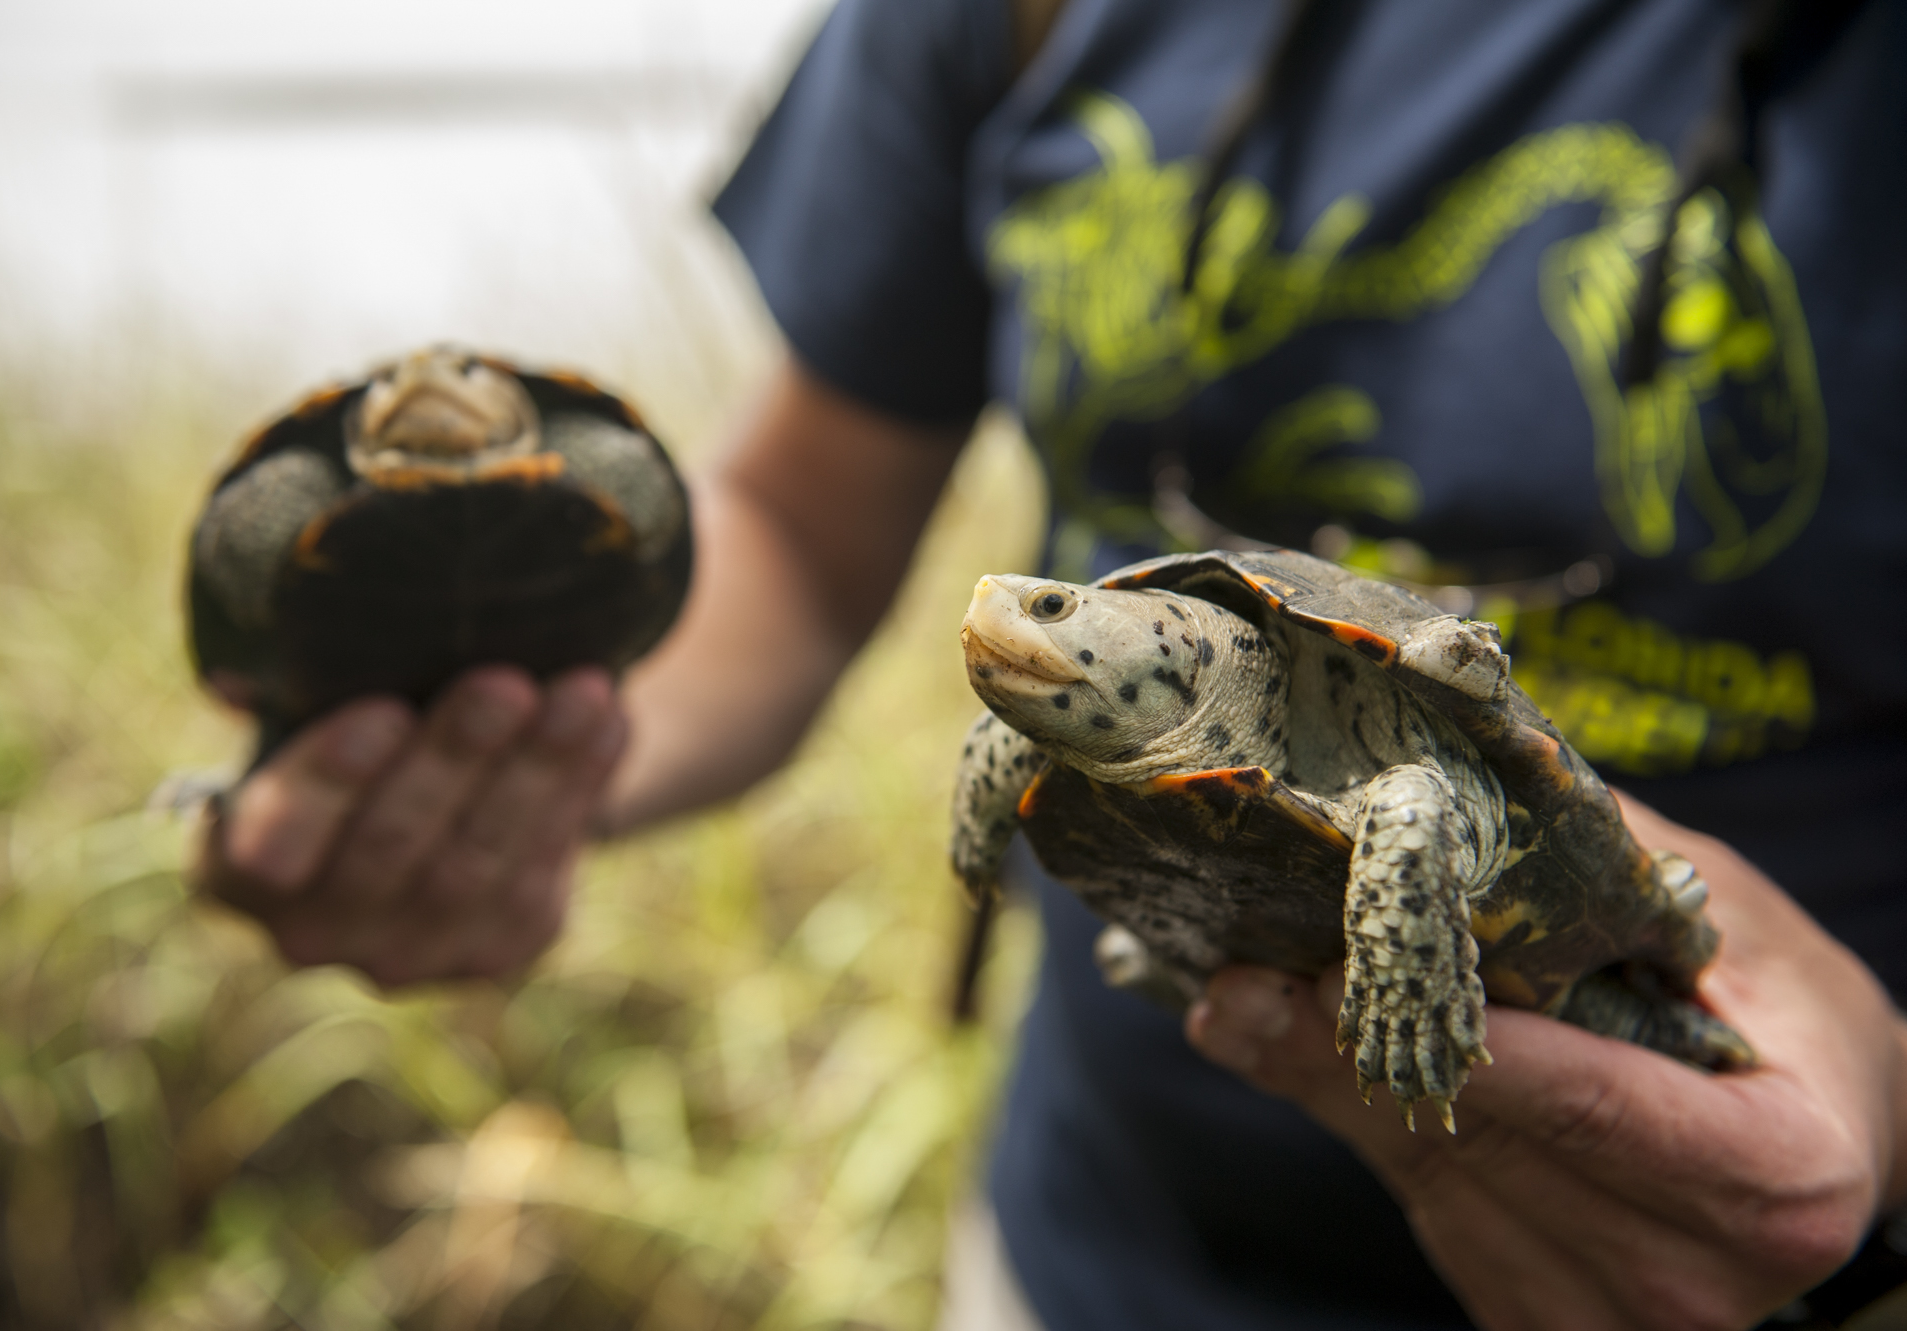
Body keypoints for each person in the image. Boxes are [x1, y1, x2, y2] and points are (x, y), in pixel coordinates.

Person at [200, 0, 1907, 1325]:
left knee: (1402, 814)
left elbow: (1423, 801)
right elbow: (798, 524)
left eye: (1068, 623)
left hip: (1791, 1265)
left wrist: (1886, 1146)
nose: (1020, 637)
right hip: (1101, 1262)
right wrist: (525, 764)